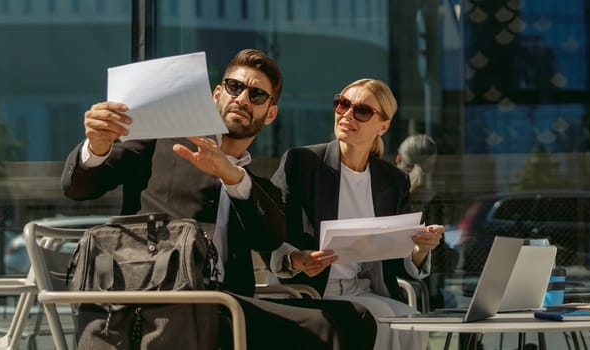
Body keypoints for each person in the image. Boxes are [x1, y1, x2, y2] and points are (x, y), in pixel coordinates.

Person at [62, 49, 375, 350]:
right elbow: (79, 188)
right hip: (164, 304)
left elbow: (271, 236)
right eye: (234, 87)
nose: (242, 99)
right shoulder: (162, 145)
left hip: (228, 307)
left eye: (257, 95)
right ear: (216, 95)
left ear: (270, 114)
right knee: (323, 329)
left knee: (356, 320)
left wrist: (233, 177)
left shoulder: (258, 187)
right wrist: (97, 146)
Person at [268, 78, 445, 350]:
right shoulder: (302, 164)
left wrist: (421, 248)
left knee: (411, 322)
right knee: (380, 321)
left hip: (362, 290)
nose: (347, 114)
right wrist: (296, 258)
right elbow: (272, 230)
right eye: (342, 104)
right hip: (310, 290)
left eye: (361, 111)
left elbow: (397, 261)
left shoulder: (392, 180)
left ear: (383, 126)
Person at [396, 134, 459, 310]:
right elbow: (439, 257)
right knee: (458, 301)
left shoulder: (386, 196)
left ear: (398, 158)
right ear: (432, 165)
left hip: (394, 290)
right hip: (425, 293)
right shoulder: (433, 201)